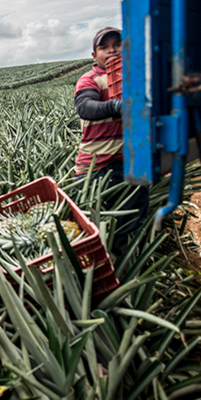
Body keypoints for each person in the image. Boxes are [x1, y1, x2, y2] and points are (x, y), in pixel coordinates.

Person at [74, 27, 149, 254]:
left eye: (117, 45)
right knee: (101, 232)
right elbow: (85, 107)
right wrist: (116, 106)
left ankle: (129, 272)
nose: (112, 50)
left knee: (133, 224)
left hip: (131, 164)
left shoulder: (135, 78)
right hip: (98, 169)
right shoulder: (91, 79)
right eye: (104, 47)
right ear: (94, 55)